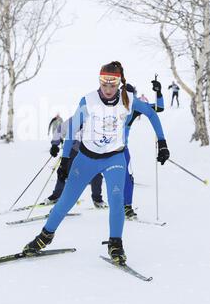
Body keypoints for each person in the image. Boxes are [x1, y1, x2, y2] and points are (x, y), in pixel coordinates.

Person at [22, 61, 170, 265]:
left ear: (119, 83)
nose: (108, 89)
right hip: (86, 159)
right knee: (65, 201)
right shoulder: (89, 100)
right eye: (104, 83)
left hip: (114, 158)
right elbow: (73, 127)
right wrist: (65, 160)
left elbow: (153, 113)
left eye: (112, 84)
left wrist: (162, 142)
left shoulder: (129, 100)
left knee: (116, 200)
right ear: (99, 81)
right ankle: (45, 236)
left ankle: (115, 244)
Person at [123, 78, 164, 218]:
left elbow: (158, 109)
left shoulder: (135, 106)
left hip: (122, 148)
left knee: (128, 177)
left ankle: (126, 207)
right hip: (102, 147)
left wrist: (158, 93)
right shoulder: (110, 102)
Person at [45, 125, 108, 209]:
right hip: (75, 150)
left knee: (96, 175)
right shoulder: (78, 117)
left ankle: (97, 200)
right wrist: (54, 145)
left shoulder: (101, 120)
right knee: (64, 172)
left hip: (92, 152)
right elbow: (60, 129)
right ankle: (56, 196)